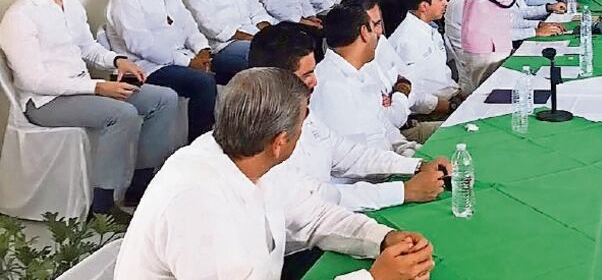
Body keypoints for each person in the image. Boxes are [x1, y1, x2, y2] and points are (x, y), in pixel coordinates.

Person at [114, 68, 435, 280]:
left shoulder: (250, 156)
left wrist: (383, 238)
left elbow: (315, 217)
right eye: (301, 128)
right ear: (280, 142)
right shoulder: (199, 203)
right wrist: (374, 278)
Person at [0, 0, 177, 222]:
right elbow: (34, 80)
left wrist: (117, 61)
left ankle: (140, 187)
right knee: (121, 114)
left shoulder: (71, 5)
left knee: (163, 99)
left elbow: (88, 49)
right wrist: (97, 87)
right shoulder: (20, 16)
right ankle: (103, 206)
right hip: (46, 102)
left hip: (83, 89)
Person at [248, 23, 448, 218]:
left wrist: (416, 165)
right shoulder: (259, 132)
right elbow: (319, 197)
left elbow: (350, 155)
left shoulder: (302, 111)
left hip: (334, 218)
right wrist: (404, 191)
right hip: (306, 241)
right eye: (307, 74)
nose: (315, 81)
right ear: (278, 79)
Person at [106, 0, 217, 142]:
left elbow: (187, 24)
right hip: (144, 69)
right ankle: (198, 147)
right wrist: (188, 61)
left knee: (227, 65)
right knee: (204, 83)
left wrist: (202, 49)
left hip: (178, 59)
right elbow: (140, 45)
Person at [312, 6, 416, 155]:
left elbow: (384, 127)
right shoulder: (330, 86)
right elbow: (351, 159)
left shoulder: (362, 72)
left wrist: (411, 152)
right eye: (374, 27)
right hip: (370, 174)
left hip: (390, 163)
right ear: (364, 32)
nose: (378, 34)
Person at [388, 0, 461, 112]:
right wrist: (448, 106)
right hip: (432, 111)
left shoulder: (431, 28)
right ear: (424, 6)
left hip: (450, 97)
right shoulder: (406, 41)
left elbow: (442, 76)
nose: (446, 3)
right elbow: (411, 94)